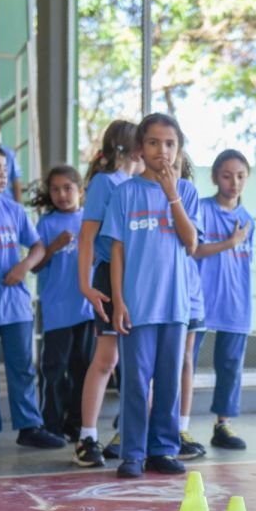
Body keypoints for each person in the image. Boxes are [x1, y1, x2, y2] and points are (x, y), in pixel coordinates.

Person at [103, 112, 200, 478]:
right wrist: (118, 300)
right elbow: (116, 252)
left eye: (170, 143)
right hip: (136, 307)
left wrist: (172, 195)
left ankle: (163, 448)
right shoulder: (125, 193)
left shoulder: (187, 192)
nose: (162, 150)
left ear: (179, 149)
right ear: (140, 148)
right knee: (135, 383)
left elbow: (191, 242)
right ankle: (132, 453)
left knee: (169, 381)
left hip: (174, 306)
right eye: (154, 142)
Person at [0, 143, 65, 453]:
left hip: (16, 307)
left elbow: (37, 247)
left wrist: (24, 266)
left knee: (22, 368)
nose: (3, 174)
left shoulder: (15, 210)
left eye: (5, 168)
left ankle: (29, 426)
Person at [75, 120, 142, 467]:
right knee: (107, 359)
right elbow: (87, 236)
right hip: (109, 275)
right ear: (133, 148)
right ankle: (87, 436)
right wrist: (85, 284)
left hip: (141, 277)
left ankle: (130, 432)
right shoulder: (106, 182)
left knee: (140, 361)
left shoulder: (144, 184)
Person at [193, 149, 255, 450]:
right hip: (199, 300)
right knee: (184, 363)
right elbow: (193, 250)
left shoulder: (247, 220)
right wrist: (230, 242)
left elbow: (244, 263)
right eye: (227, 176)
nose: (234, 182)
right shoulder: (201, 210)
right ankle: (173, 425)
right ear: (215, 177)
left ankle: (223, 425)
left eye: (241, 176)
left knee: (230, 366)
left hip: (235, 303)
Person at [30, 165, 94, 443]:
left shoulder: (90, 221)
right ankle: (52, 424)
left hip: (87, 308)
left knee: (83, 368)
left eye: (68, 188)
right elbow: (35, 266)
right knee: (54, 368)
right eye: (55, 189)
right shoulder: (46, 224)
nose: (62, 195)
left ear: (80, 191)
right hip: (56, 308)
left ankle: (77, 423)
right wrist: (53, 247)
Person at [177, 151, 207, 459]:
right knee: (148, 367)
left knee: (185, 360)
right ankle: (140, 426)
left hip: (189, 298)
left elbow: (193, 245)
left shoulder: (187, 195)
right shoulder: (136, 193)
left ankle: (181, 427)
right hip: (155, 300)